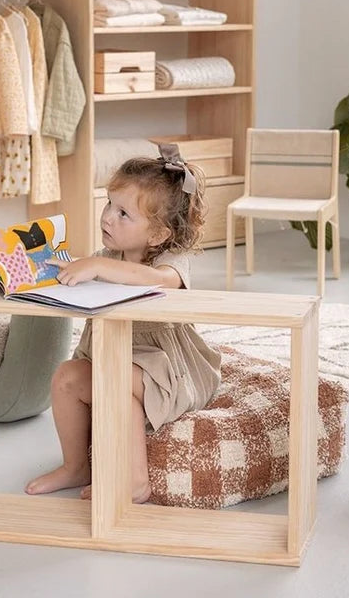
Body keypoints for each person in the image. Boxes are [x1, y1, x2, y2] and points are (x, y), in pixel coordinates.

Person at [24, 144, 222, 503]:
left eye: (123, 214)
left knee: (115, 375)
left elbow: (160, 280)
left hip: (169, 372)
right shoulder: (108, 256)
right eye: (108, 204)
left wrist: (97, 267)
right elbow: (83, 279)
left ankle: (136, 482)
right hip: (113, 357)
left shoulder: (173, 260)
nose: (107, 218)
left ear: (159, 233)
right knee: (66, 377)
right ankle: (75, 466)